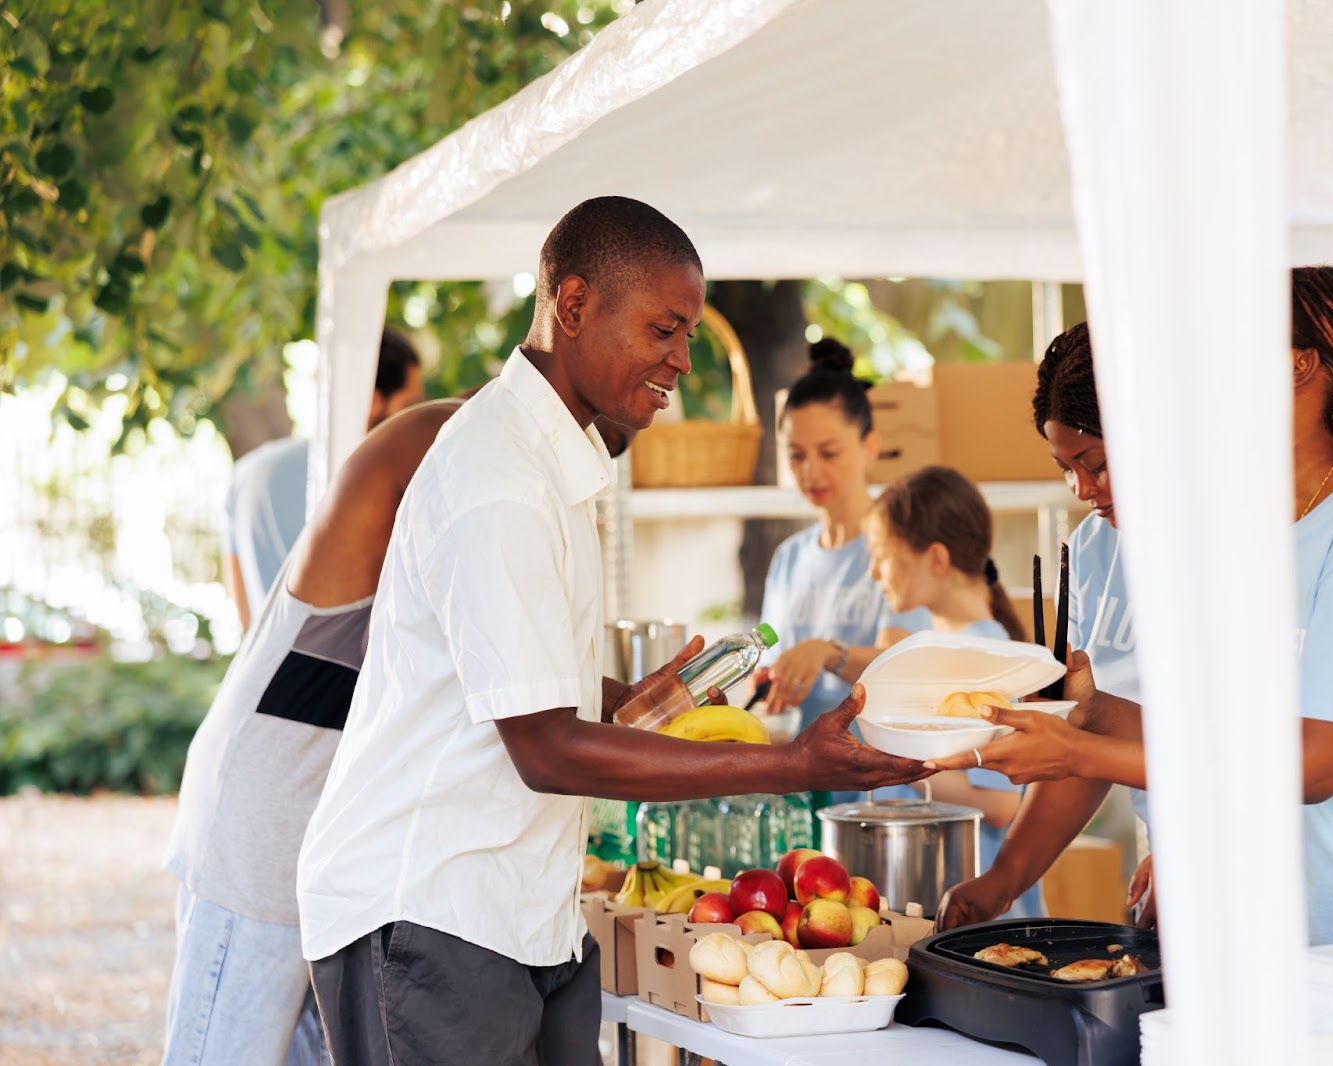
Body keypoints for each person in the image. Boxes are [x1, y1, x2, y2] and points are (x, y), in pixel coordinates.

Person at [295, 197, 927, 1066]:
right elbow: (547, 748)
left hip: (519, 912)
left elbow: (513, 671)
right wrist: (790, 766)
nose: (681, 359)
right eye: (665, 329)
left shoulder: (542, 461)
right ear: (576, 304)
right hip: (430, 910)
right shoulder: (499, 478)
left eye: (691, 336)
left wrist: (629, 699)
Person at [933, 268, 1333, 1066]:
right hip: (1312, 964)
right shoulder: (1162, 538)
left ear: (1293, 365)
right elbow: (1118, 718)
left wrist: (1084, 750)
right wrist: (1005, 879)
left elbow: (1315, 763)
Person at [167, 386, 634, 1066]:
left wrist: (627, 701)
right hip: (267, 810)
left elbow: (495, 665)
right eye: (595, 442)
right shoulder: (455, 451)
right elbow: (499, 655)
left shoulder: (485, 458)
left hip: (340, 840)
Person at [863, 465, 1043, 919]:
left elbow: (1002, 804)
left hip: (985, 921)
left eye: (882, 555)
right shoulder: (939, 649)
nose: (872, 572)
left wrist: (901, 759)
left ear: (936, 559)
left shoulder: (983, 656)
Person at [762, 339, 930, 727]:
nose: (811, 472)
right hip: (803, 776)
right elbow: (772, 660)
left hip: (875, 780)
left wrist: (828, 653)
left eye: (829, 452)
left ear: (870, 446)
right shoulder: (789, 558)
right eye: (797, 455)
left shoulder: (901, 549)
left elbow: (900, 669)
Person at [222, 330, 425, 629]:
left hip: (267, 671)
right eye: (410, 405)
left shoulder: (248, 472)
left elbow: (241, 604)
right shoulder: (378, 486)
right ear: (371, 401)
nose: (417, 419)